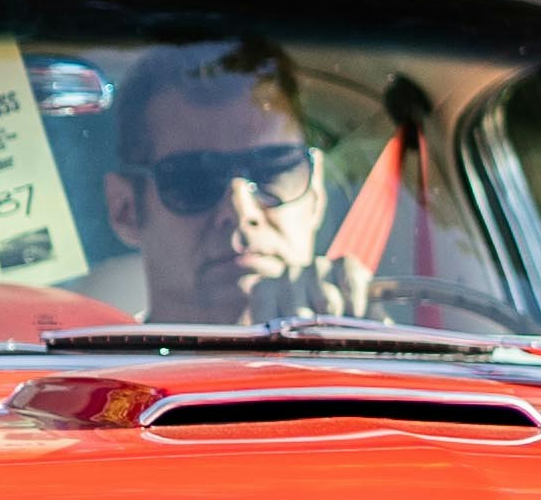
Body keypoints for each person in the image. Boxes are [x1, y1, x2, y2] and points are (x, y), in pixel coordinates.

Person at [100, 39, 376, 329]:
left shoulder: (381, 363)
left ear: (316, 195)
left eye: (273, 171)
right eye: (194, 180)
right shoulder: (87, 372)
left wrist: (365, 347)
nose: (241, 213)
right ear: (126, 210)